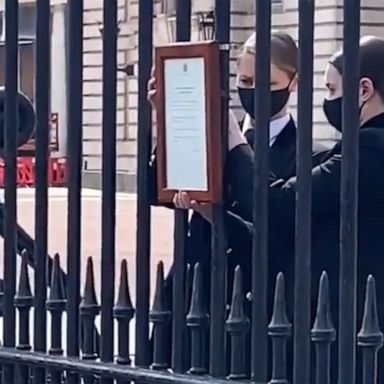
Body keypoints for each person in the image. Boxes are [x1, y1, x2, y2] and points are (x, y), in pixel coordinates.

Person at [177, 35, 384, 382]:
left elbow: (283, 204)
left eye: (332, 90)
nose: (327, 101)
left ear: (364, 90)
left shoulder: (369, 147)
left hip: (346, 321)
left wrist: (233, 143)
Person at [148, 31, 327, 372]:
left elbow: (280, 234)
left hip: (254, 305)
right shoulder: (208, 131)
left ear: (294, 83)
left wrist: (216, 216)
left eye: (267, 81)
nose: (253, 90)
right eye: (245, 80)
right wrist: (165, 122)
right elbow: (156, 192)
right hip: (192, 293)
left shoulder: (312, 156)